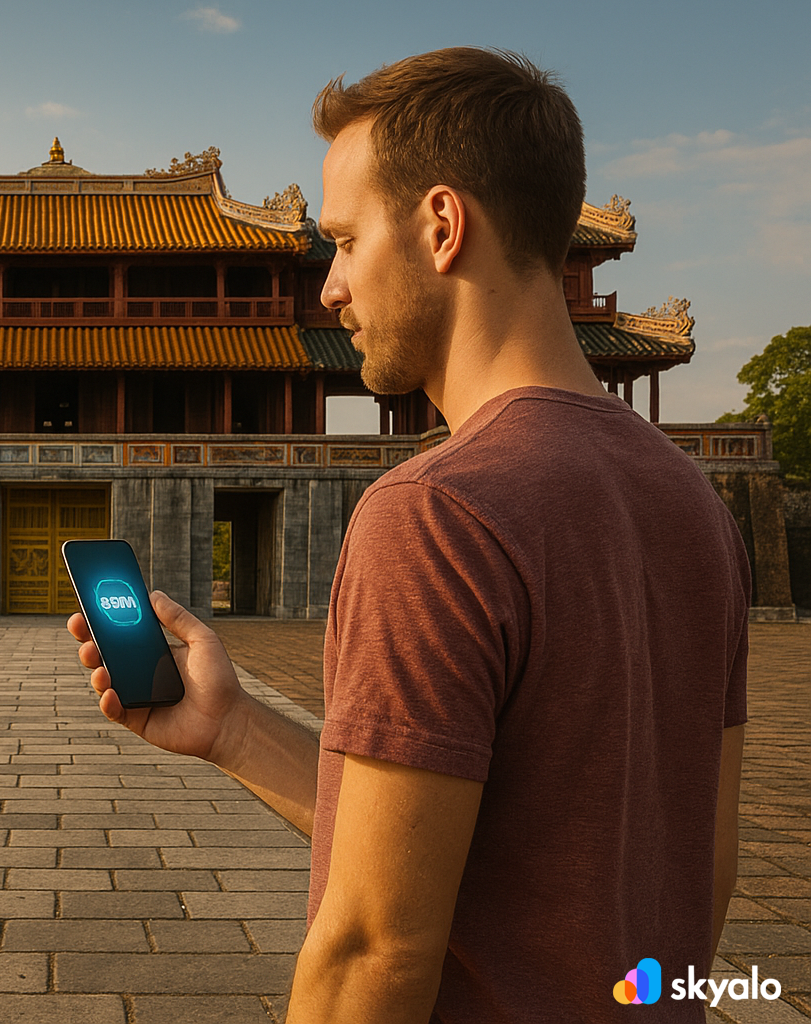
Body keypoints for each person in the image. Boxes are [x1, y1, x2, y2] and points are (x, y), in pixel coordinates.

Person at [68, 47, 749, 1023]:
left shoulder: (436, 512)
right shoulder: (693, 506)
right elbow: (697, 873)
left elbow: (370, 949)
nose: (329, 288)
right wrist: (235, 729)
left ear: (440, 226)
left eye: (344, 241)